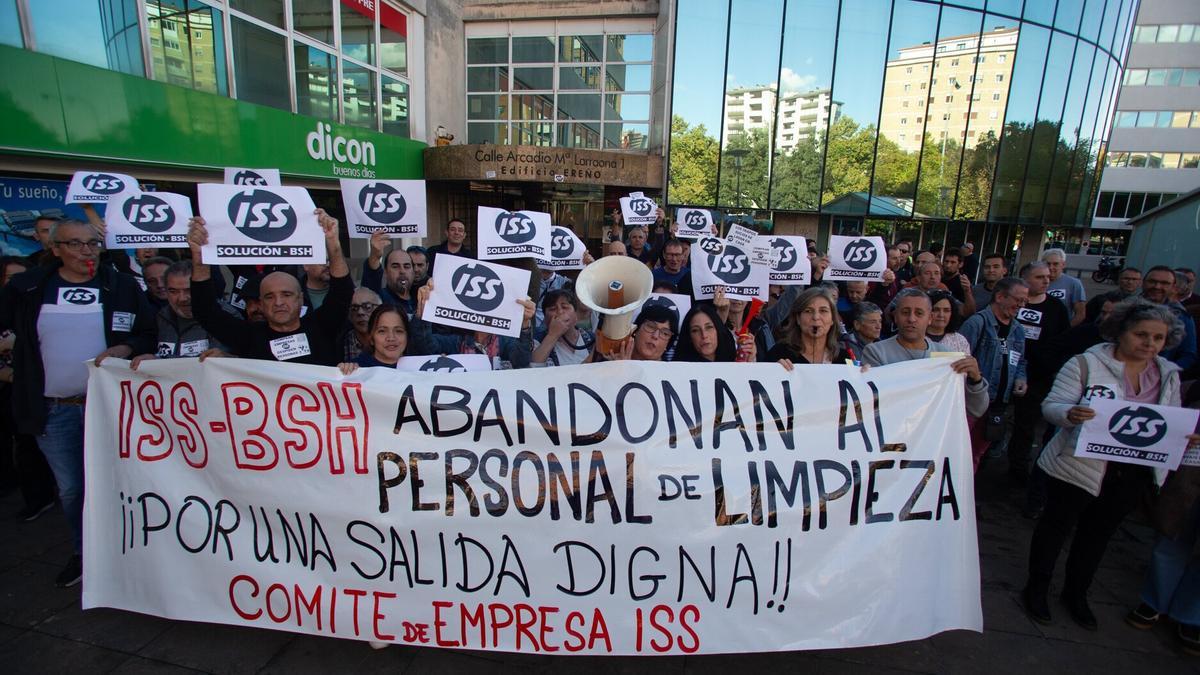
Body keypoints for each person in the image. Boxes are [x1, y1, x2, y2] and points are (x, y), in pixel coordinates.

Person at [1023, 298, 1198, 629]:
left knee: (1097, 536)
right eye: (1141, 335)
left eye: (1158, 338)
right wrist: (1069, 413)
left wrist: (1181, 437)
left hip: (1131, 471)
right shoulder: (1086, 363)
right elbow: (1052, 405)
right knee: (1054, 529)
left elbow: (1168, 418)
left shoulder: (1168, 375)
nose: (1149, 344)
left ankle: (1076, 594)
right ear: (1121, 331)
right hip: (1077, 465)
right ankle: (1037, 588)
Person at [0, 218, 156, 586]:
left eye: (93, 243)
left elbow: (147, 333)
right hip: (55, 409)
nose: (87, 251)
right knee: (72, 489)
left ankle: (128, 553)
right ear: (55, 249)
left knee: (122, 483)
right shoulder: (28, 288)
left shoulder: (120, 286)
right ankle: (85, 553)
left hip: (111, 408)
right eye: (75, 243)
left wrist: (126, 347)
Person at [187, 210, 353, 366]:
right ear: (261, 303)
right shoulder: (249, 336)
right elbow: (205, 311)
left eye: (286, 294)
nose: (278, 302)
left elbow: (342, 292)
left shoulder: (321, 327)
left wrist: (333, 243)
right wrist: (200, 257)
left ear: (301, 299)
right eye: (269, 296)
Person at [0, 257, 57, 522]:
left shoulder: (41, 309)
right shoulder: (8, 313)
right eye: (13, 279)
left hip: (37, 390)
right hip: (16, 392)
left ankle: (43, 496)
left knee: (32, 447)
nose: (20, 285)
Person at [1007, 261, 1072, 484]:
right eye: (1039, 277)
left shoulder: (1056, 308)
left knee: (1026, 425)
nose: (1046, 280)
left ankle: (1018, 470)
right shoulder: (1011, 303)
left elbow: (1063, 341)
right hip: (1005, 371)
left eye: (1047, 277)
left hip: (1037, 377)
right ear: (1024, 279)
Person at [959, 278, 1030, 468]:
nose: (1022, 306)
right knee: (960, 454)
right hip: (973, 405)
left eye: (1025, 301)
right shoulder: (976, 324)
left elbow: (1020, 360)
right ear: (1000, 297)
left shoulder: (1018, 329)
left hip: (998, 405)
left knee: (977, 455)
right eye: (1018, 300)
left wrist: (1021, 378)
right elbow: (959, 360)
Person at [411, 281, 534, 369]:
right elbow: (426, 347)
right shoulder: (456, 342)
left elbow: (521, 362)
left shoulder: (504, 342)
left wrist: (524, 324)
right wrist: (422, 312)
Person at [132, 260, 227, 365]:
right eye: (173, 291)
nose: (182, 298)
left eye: (189, 290)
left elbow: (213, 363)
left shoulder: (225, 316)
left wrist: (159, 362)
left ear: (203, 288)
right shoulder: (161, 317)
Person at [766, 288, 849, 366]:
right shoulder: (778, 354)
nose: (816, 317)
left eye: (823, 311)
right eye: (808, 311)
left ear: (832, 319)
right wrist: (774, 370)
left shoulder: (844, 358)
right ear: (798, 318)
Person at [1141, 265, 1198, 370]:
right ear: (1143, 282)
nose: (1157, 286)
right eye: (1152, 281)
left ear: (1173, 287)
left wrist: (1166, 372)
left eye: (1164, 283)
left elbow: (1188, 354)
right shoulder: (1126, 308)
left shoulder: (1181, 317)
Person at [338, 304, 412, 372]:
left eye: (398, 331)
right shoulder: (355, 369)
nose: (391, 338)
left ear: (407, 335)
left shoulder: (417, 368)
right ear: (371, 338)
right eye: (382, 331)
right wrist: (341, 372)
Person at [532, 289, 595, 367]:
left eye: (565, 307)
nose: (560, 312)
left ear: (575, 314)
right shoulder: (537, 340)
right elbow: (534, 367)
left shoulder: (592, 339)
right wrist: (553, 335)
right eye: (553, 309)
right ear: (545, 319)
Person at [673, 303, 752, 363]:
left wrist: (751, 360)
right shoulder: (679, 370)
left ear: (718, 330)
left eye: (709, 327)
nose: (704, 335)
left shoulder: (733, 360)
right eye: (695, 330)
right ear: (689, 337)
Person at [1043, 248, 1087, 326]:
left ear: (1063, 265)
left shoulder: (1074, 283)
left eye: (1055, 264)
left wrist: (1066, 330)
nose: (1051, 267)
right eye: (1048, 264)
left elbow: (1080, 314)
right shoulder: (1036, 281)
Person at [926, 290, 971, 354]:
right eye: (936, 310)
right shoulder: (916, 338)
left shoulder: (960, 340)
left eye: (946, 310)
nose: (941, 315)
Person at [344, 288, 382, 361]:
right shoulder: (341, 342)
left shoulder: (390, 339)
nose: (360, 312)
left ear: (380, 309)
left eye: (368, 307)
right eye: (354, 308)